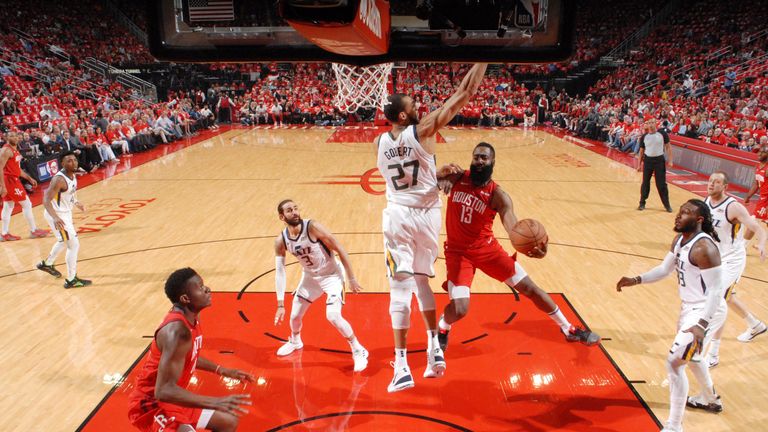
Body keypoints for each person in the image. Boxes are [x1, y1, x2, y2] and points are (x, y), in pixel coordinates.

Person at [375, 63, 488, 393]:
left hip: (399, 215)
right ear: (401, 117)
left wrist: (435, 176)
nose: (418, 107)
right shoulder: (422, 129)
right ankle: (433, 349)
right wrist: (483, 59)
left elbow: (400, 179)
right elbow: (464, 93)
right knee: (421, 282)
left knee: (399, 287)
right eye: (412, 106)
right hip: (427, 217)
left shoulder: (379, 142)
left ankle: (401, 367)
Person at [435, 143, 600, 353]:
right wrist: (438, 174)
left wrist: (532, 246)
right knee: (459, 309)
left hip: (487, 250)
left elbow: (513, 227)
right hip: (458, 253)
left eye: (484, 158)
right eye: (476, 157)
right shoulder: (457, 177)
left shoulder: (498, 195)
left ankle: (568, 329)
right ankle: (443, 326)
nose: (479, 161)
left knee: (531, 288)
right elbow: (419, 182)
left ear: (492, 162)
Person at [616, 199, 727, 432]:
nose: (679, 215)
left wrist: (702, 324)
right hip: (690, 308)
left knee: (675, 363)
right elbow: (665, 270)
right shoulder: (680, 240)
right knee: (692, 357)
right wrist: (636, 279)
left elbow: (717, 291)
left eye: (686, 213)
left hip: (707, 311)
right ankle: (710, 399)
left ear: (699, 220)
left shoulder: (703, 248)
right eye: (679, 211)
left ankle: (674, 426)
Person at [128, 268, 253, 432]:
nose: (207, 289)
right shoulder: (177, 331)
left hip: (172, 399)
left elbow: (189, 356)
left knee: (228, 421)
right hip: (151, 404)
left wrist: (221, 370)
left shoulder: (191, 317)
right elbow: (163, 390)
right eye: (200, 287)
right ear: (185, 298)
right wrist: (215, 402)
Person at [273, 199, 368, 372]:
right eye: (289, 210)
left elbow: (340, 248)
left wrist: (351, 278)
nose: (294, 212)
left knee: (332, 315)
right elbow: (280, 271)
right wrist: (280, 304)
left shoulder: (312, 227)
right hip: (310, 278)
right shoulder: (281, 240)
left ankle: (358, 349)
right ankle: (295, 341)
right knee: (294, 316)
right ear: (282, 216)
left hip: (332, 276)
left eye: (295, 208)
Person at [704, 172, 767, 368]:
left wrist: (763, 243)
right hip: (715, 258)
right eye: (710, 181)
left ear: (725, 187)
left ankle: (713, 354)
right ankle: (755, 325)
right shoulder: (705, 202)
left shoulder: (733, 207)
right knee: (728, 297)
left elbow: (758, 228)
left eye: (717, 182)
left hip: (732, 259)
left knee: (718, 300)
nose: (712, 184)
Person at [35, 151, 92, 288]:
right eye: (69, 161)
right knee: (73, 245)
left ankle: (47, 264)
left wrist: (76, 203)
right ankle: (71, 280)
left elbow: (69, 194)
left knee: (63, 241)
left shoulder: (72, 175)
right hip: (58, 216)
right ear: (62, 163)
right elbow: (46, 199)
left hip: (64, 213)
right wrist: (55, 217)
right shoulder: (59, 180)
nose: (73, 162)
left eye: (74, 160)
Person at [0, 131, 49, 241]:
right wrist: (2, 186)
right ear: (6, 138)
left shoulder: (14, 149)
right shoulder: (6, 150)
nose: (15, 137)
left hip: (12, 179)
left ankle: (4, 233)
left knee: (8, 206)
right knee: (27, 204)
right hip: (10, 181)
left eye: (16, 135)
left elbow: (17, 168)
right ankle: (33, 230)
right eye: (12, 135)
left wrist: (29, 178)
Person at [637, 119, 673, 212]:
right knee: (645, 182)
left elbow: (668, 147)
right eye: (649, 123)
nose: (651, 124)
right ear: (647, 125)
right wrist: (639, 164)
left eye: (652, 122)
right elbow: (641, 152)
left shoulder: (662, 134)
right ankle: (642, 203)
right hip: (648, 161)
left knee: (661, 184)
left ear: (655, 123)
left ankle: (667, 205)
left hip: (659, 161)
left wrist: (670, 160)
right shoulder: (644, 136)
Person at [744, 144, 768, 222]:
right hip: (762, 199)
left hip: (765, 200)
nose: (759, 154)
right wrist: (748, 197)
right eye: (759, 152)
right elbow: (756, 184)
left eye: (763, 152)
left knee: (754, 221)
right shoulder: (757, 167)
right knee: (757, 222)